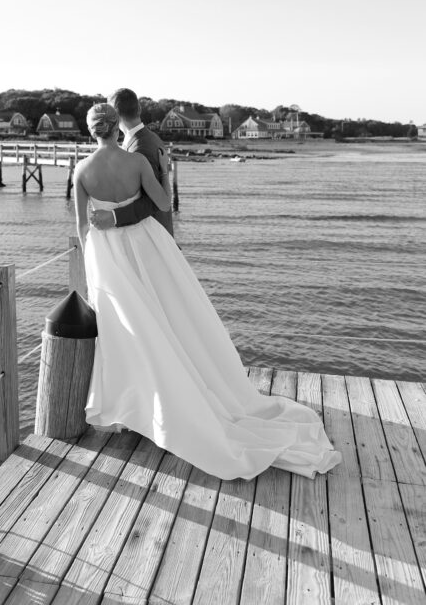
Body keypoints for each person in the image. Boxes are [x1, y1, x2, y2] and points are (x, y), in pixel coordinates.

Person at [74, 101, 341, 481]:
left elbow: (83, 229)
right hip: (149, 247)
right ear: (117, 127)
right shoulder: (137, 163)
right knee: (171, 317)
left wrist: (94, 263)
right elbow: (164, 203)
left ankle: (137, 406)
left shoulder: (82, 171)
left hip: (110, 257)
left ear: (91, 131)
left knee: (131, 332)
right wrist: (159, 174)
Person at [89, 87, 173, 237]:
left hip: (151, 239)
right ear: (139, 108)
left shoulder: (141, 148)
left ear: (114, 115)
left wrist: (114, 217)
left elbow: (154, 201)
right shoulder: (149, 137)